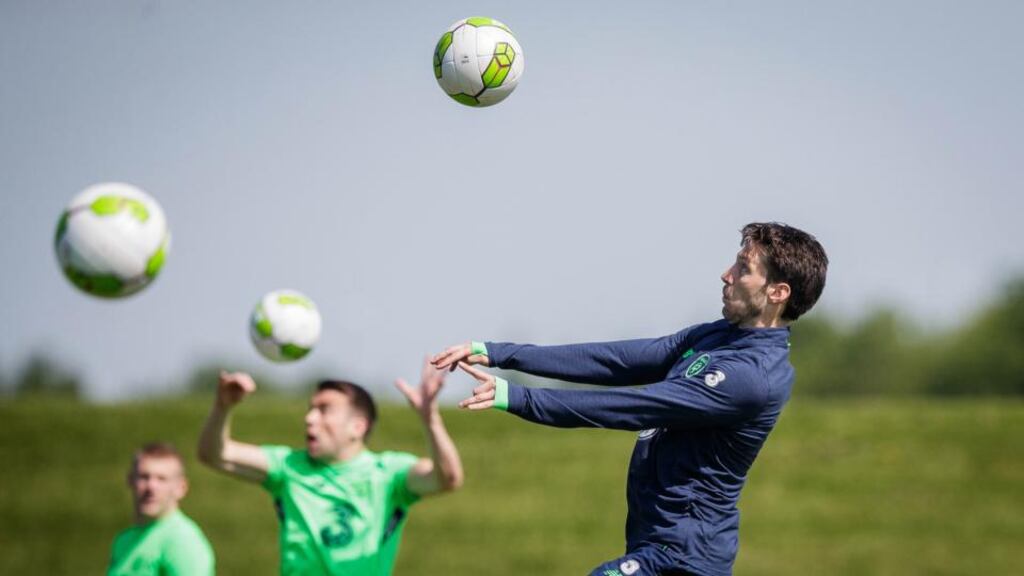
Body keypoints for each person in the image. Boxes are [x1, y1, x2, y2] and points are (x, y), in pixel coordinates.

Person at [432, 222, 828, 576]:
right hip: (653, 546)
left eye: (744, 267)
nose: (726, 275)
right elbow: (619, 360)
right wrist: (499, 352)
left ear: (778, 292)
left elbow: (636, 406)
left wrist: (515, 396)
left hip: (683, 559)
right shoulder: (719, 335)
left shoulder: (752, 376)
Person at [197, 358, 463, 576]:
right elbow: (214, 455)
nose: (309, 418)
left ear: (357, 427)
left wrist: (430, 420)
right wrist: (222, 407)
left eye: (324, 410)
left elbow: (448, 478)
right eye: (311, 409)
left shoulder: (387, 474)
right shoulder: (288, 466)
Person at [107, 442, 215, 576]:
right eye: (144, 477)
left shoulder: (182, 541)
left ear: (181, 488)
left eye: (162, 479)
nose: (151, 487)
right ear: (130, 480)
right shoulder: (124, 540)